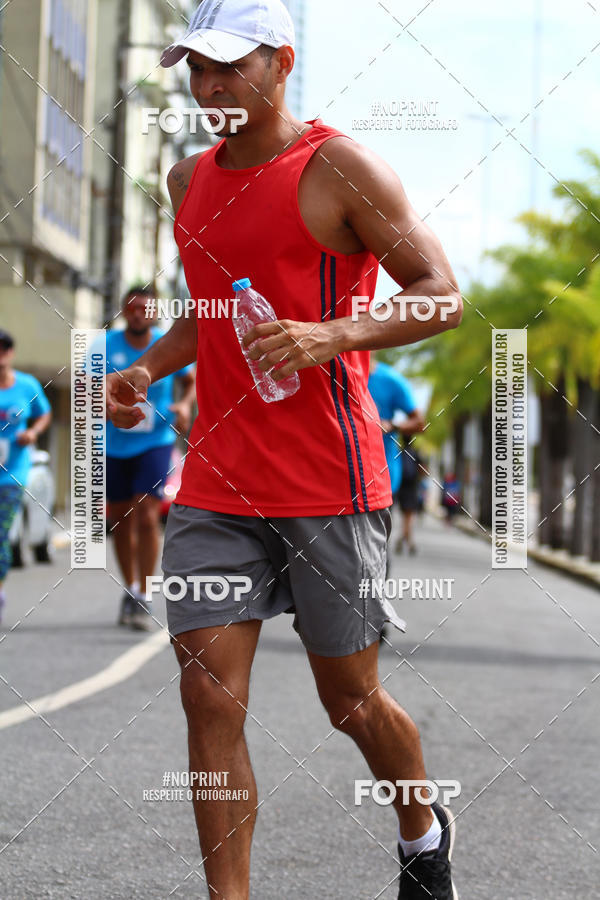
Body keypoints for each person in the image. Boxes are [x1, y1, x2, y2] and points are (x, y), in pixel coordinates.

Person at [107, 2, 463, 897]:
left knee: (349, 700)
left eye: (230, 65)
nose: (210, 85)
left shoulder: (339, 167)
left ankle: (421, 828)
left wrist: (334, 334)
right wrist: (146, 371)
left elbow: (441, 296)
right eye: (197, 67)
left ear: (282, 63)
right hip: (219, 484)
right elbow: (215, 316)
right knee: (206, 696)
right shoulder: (189, 177)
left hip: (328, 482)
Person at [106, 288, 195, 630]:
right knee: (120, 518)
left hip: (155, 440)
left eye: (145, 308)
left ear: (155, 312)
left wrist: (185, 404)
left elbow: (190, 382)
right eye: (132, 308)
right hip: (114, 443)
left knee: (145, 512)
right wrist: (105, 404)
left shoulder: (166, 344)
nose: (139, 313)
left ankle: (144, 592)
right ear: (124, 311)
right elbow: (87, 386)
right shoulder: (106, 346)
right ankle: (130, 588)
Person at [0, 330, 51, 624]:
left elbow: (44, 414)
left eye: (5, 347)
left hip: (12, 474)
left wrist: (33, 432)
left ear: (11, 351)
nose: (1, 352)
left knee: (0, 534)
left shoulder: (27, 385)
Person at [368, 356, 425, 554]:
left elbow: (419, 422)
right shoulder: (332, 372)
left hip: (381, 475)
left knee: (376, 548)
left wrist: (392, 425)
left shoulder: (391, 380)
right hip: (335, 476)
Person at [396, 437, 426, 555]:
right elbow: (423, 470)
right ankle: (409, 543)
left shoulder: (400, 453)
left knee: (405, 517)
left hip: (402, 488)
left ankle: (404, 540)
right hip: (412, 488)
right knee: (409, 517)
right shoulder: (416, 454)